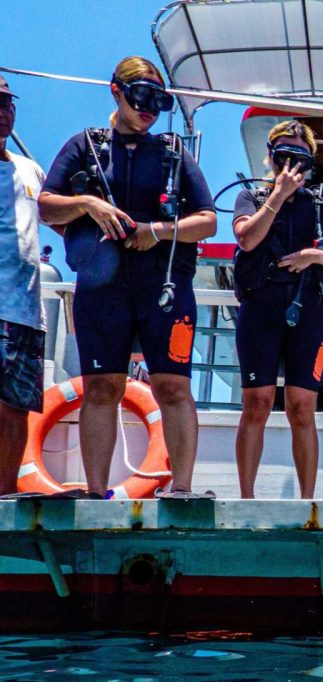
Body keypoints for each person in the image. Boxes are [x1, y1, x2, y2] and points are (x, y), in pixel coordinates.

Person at [38, 56, 217, 498]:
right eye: (141, 97)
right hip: (103, 288)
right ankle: (96, 491)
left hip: (164, 287)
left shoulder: (173, 152)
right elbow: (45, 205)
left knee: (172, 385)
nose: (150, 109)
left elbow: (208, 221)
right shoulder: (86, 147)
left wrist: (157, 232)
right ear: (116, 91)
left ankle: (183, 488)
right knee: (102, 386)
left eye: (159, 101)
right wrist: (88, 205)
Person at [232, 120, 323, 499]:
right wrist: (277, 196)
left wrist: (312, 256)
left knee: (302, 406)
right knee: (257, 402)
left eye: (298, 157)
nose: (290, 165)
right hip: (260, 310)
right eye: (283, 155)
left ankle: (307, 502)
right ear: (269, 158)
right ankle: (246, 498)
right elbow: (246, 237)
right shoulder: (252, 197)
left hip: (307, 311)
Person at [0, 77, 46, 496]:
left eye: (7, 102)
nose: (2, 111)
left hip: (28, 312)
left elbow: (56, 216)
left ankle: (5, 493)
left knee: (16, 407)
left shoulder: (30, 169)